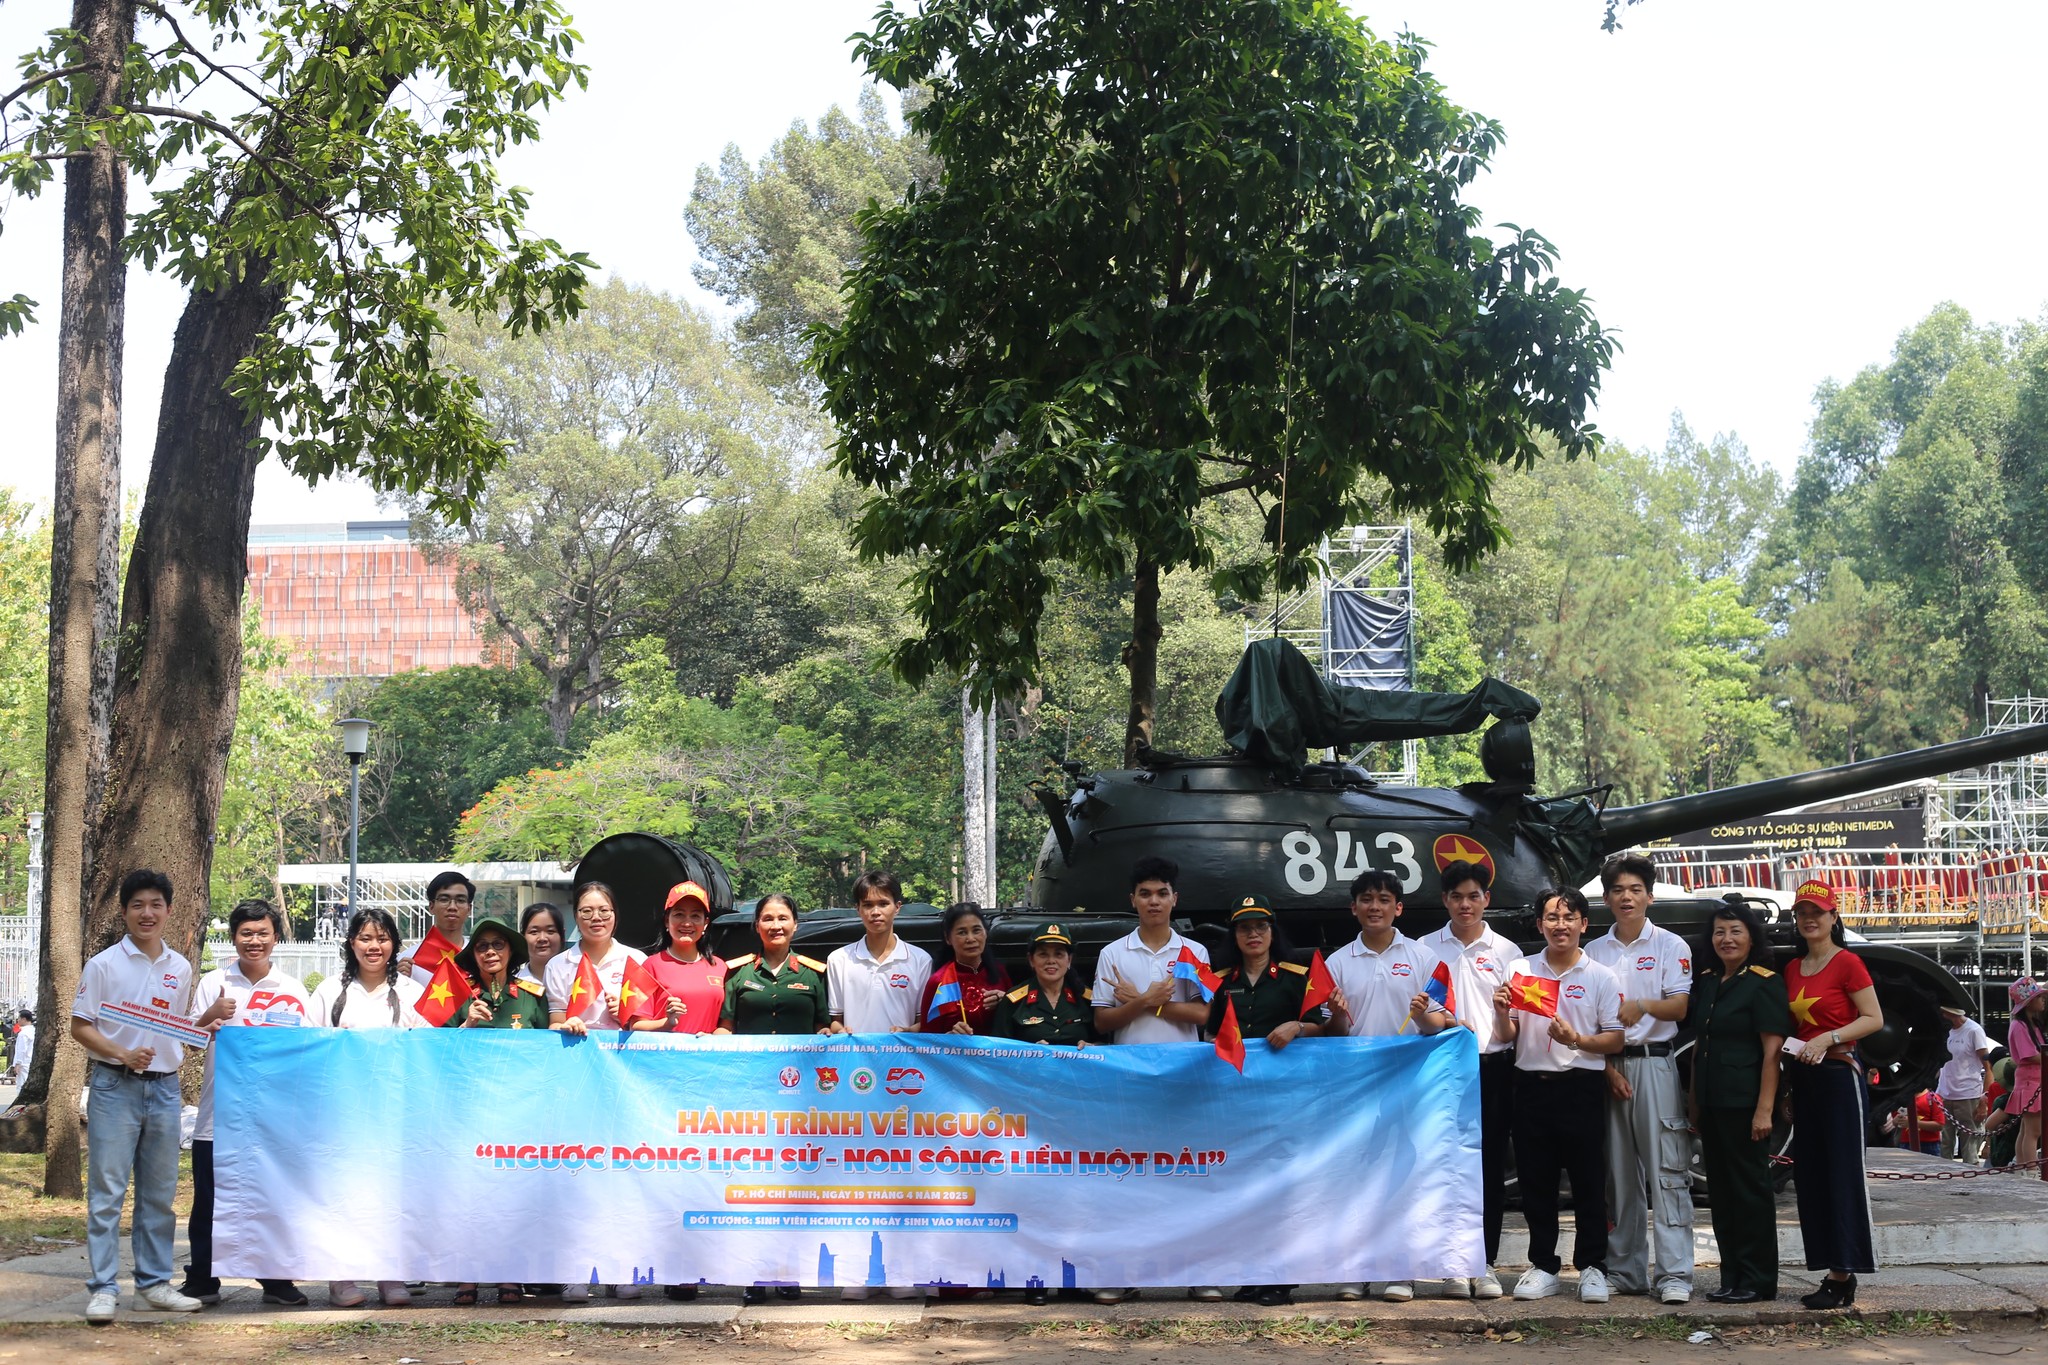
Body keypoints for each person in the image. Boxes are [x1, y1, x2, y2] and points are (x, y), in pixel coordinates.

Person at [69, 870, 206, 1324]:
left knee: (159, 1195)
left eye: (155, 905)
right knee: (107, 1193)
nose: (147, 913)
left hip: (165, 1089)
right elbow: (80, 1026)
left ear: (169, 910)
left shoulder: (180, 967)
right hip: (114, 1086)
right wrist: (122, 1054)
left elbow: (176, 1030)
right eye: (137, 905)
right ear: (125, 911)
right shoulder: (103, 965)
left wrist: (206, 1023)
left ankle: (152, 1285)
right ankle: (103, 1288)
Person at [1323, 868, 1453, 1304]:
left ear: (1398, 908)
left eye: (1383, 900)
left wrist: (1421, 1014)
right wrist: (1337, 1013)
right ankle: (1356, 1270)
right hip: (1357, 1083)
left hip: (1410, 1081)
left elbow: (1438, 1025)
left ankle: (1402, 1269)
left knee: (1405, 1174)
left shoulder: (1422, 957)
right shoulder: (1337, 963)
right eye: (1366, 899)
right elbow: (1335, 1033)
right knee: (1358, 1173)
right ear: (1353, 907)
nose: (1374, 907)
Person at [1087, 855, 1212, 1307]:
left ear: (1175, 899)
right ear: (1133, 900)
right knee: (1129, 1176)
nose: (1154, 901)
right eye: (1145, 894)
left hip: (1182, 1077)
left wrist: (1148, 1002)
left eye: (1162, 893)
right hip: (1129, 1078)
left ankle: (1198, 1273)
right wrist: (1142, 1002)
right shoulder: (1113, 953)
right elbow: (1102, 1021)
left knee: (1188, 1175)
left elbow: (1202, 1014)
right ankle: (1123, 1272)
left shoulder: (1194, 953)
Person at [178, 899, 313, 1309]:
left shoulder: (292, 989)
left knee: (272, 1199)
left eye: (263, 933)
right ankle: (202, 1278)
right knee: (209, 1200)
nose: (255, 941)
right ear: (234, 937)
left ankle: (275, 1279)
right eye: (246, 933)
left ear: (276, 937)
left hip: (273, 1118)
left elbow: (306, 1049)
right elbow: (188, 1042)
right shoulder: (213, 983)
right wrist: (210, 1017)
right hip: (219, 1114)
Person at [1494, 886, 1625, 1305]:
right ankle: (1543, 1266)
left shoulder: (1601, 976)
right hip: (1531, 1085)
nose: (1560, 925)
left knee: (1588, 1181)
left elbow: (1615, 1039)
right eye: (1552, 917)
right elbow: (1508, 1035)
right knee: (1537, 1182)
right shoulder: (1521, 969)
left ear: (1584, 924)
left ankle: (1593, 1266)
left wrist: (1576, 1040)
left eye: (1569, 918)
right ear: (1539, 924)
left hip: (1580, 1086)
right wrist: (1501, 1012)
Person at [1584, 854, 1695, 1306]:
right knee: (1620, 1176)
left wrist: (1644, 1006)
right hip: (1609, 1067)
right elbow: (1585, 1018)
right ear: (1606, 898)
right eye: (1617, 890)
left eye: (1635, 890)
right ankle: (1627, 1270)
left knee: (1667, 1170)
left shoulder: (1670, 945)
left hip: (1654, 1063)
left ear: (1650, 895)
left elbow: (1680, 1007)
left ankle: (1675, 1273)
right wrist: (1607, 1069)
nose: (1626, 897)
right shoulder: (1593, 952)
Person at [1207, 896, 1328, 1307]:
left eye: (1260, 927)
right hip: (1237, 1097)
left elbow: (1326, 1027)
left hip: (1285, 1099)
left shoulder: (1296, 976)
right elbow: (1209, 1032)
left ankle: (1282, 1277)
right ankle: (1251, 1273)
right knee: (1243, 1186)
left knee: (1282, 1188)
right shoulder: (1221, 980)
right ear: (1234, 935)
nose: (1253, 934)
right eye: (1244, 928)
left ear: (1272, 932)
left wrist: (1297, 1026)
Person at [546, 881, 663, 1303]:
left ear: (615, 915)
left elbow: (645, 1023)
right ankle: (574, 1272)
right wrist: (567, 1024)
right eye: (586, 911)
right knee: (576, 1173)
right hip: (576, 1079)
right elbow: (554, 1020)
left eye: (604, 911)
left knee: (623, 1174)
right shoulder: (560, 964)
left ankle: (620, 1269)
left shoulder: (636, 960)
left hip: (623, 1081)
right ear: (575, 916)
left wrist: (626, 1015)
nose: (596, 918)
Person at [307, 907, 428, 1308]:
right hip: (341, 1115)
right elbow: (309, 1048)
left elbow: (429, 1049)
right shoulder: (329, 992)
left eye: (382, 938)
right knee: (342, 1195)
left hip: (395, 1114)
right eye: (365, 938)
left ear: (394, 945)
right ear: (351, 943)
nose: (374, 946)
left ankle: (390, 1275)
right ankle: (341, 1277)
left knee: (391, 1196)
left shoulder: (411, 993)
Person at [716, 894, 830, 1305]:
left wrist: (829, 1034)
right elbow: (726, 1026)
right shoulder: (738, 973)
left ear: (795, 924)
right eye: (767, 918)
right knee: (752, 1185)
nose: (775, 925)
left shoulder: (815, 974)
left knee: (793, 1186)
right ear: (757, 926)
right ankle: (754, 1272)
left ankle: (789, 1272)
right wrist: (708, 1043)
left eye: (783, 918)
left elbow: (824, 1026)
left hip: (800, 1099)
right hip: (752, 1097)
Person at [1782, 880, 1884, 1311]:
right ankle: (1829, 1268)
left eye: (1818, 912)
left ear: (1833, 917)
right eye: (1802, 912)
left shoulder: (1848, 963)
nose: (1810, 919)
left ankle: (1843, 1273)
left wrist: (1829, 1037)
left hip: (1840, 1075)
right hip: (1805, 1078)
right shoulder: (1792, 968)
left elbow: (1874, 1018)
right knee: (1810, 1176)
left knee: (1843, 1173)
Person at [1418, 859, 1518, 1299]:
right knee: (1445, 1166)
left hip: (1492, 1067)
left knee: (1489, 1166)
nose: (1465, 905)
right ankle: (1453, 1264)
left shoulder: (1507, 952)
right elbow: (1422, 1014)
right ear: (1444, 900)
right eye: (1456, 897)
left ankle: (1485, 1262)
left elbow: (1513, 1026)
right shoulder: (1425, 949)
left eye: (1473, 896)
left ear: (1486, 899)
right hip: (1441, 1070)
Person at [1686, 899, 1790, 1305]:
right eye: (1719, 932)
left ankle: (1758, 1279)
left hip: (1745, 1103)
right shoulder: (1710, 981)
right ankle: (1732, 1276)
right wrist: (1695, 1100)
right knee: (1723, 1193)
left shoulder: (1764, 982)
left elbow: (1772, 1053)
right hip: (1713, 1102)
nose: (1726, 939)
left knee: (1750, 1192)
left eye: (1735, 931)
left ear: (1751, 938)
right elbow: (1701, 1044)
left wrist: (1764, 1109)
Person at [441, 917, 543, 1306]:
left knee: (510, 1196)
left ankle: (509, 1274)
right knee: (468, 1195)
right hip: (468, 1111)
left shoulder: (531, 996)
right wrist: (467, 1024)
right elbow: (436, 1051)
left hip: (518, 1111)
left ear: (511, 952)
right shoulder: (458, 995)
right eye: (482, 946)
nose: (490, 952)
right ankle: (467, 1275)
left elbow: (548, 1050)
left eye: (498, 944)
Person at [827, 871, 933, 1037]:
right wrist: (840, 1030)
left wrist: (907, 1031)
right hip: (854, 1053)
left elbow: (924, 1021)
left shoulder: (920, 960)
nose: (875, 912)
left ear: (897, 907)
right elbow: (835, 1020)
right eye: (868, 905)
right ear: (858, 909)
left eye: (883, 904)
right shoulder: (838, 959)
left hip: (901, 1053)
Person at [643, 882, 726, 1040]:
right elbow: (636, 1025)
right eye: (679, 914)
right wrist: (667, 1023)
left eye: (695, 916)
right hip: (663, 1053)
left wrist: (713, 1038)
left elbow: (727, 1024)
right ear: (667, 921)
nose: (687, 923)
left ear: (706, 923)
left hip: (708, 1054)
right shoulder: (650, 966)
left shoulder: (720, 967)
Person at [917, 904, 1011, 1034]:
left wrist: (1006, 1002)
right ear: (948, 938)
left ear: (986, 933)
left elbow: (1018, 1019)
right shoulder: (939, 981)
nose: (971, 939)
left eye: (976, 930)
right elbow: (928, 1036)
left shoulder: (999, 971)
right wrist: (950, 1037)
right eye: (962, 932)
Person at [1937, 1004, 1993, 1164]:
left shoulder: (1973, 1031)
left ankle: (1971, 1174)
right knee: (1945, 1143)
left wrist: (1984, 1099)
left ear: (1949, 1014)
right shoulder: (1943, 1031)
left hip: (1968, 1094)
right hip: (1944, 1094)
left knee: (1970, 1146)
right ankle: (1944, 1174)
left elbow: (1988, 1067)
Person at [399, 870, 476, 985]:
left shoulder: (479, 956)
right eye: (444, 900)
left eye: (460, 900)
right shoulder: (408, 959)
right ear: (431, 906)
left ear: (469, 908)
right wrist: (399, 981)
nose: (452, 907)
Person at [2009, 977, 2045, 1172]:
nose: (2043, 1000)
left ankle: (2023, 1168)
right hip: (2032, 1082)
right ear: (2029, 1002)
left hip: (2030, 1081)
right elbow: (2030, 1055)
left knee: (2026, 1130)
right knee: (2033, 1131)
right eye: (2039, 997)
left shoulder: (2028, 1024)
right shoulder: (2020, 1026)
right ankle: (2030, 1170)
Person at [518, 902, 566, 999]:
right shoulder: (514, 986)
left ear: (562, 936)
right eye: (534, 932)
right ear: (522, 937)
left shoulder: (576, 979)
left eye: (550, 931)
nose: (542, 938)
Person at [9, 1009, 33, 1086]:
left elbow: (21, 1050)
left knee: (21, 1084)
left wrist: (18, 1064)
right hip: (30, 1061)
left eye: (19, 1018)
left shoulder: (23, 1034)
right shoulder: (33, 1031)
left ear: (24, 1019)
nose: (17, 1020)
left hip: (23, 1063)